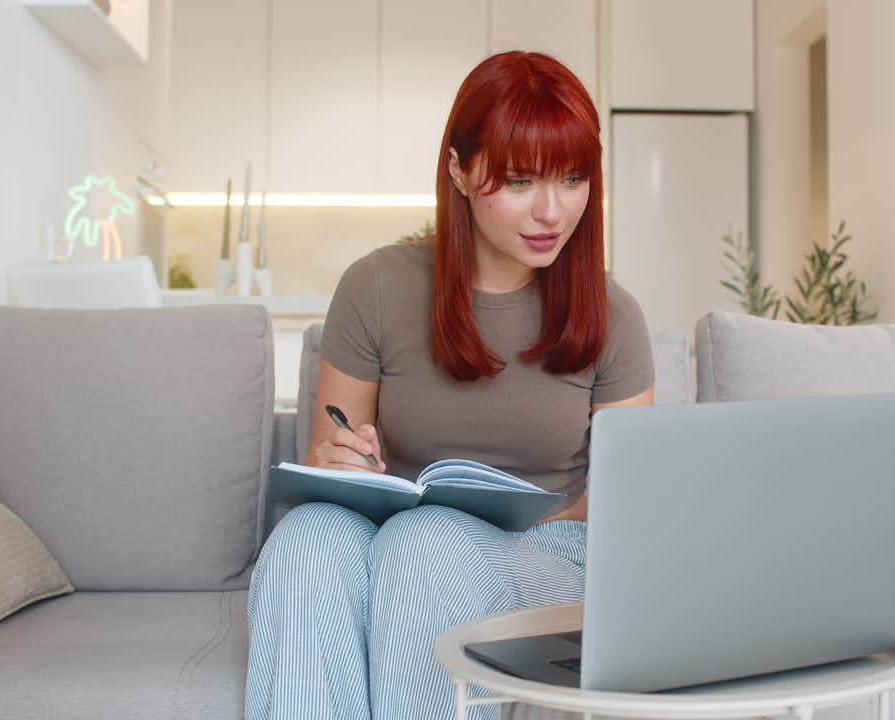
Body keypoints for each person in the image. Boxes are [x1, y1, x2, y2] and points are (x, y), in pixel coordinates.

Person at [245, 51, 655, 720]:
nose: (552, 211)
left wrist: (475, 526)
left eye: (573, 179)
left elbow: (625, 507)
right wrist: (338, 458)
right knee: (307, 538)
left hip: (548, 553)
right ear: (458, 171)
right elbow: (332, 450)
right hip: (397, 537)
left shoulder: (614, 315)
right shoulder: (377, 287)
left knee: (430, 541)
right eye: (521, 181)